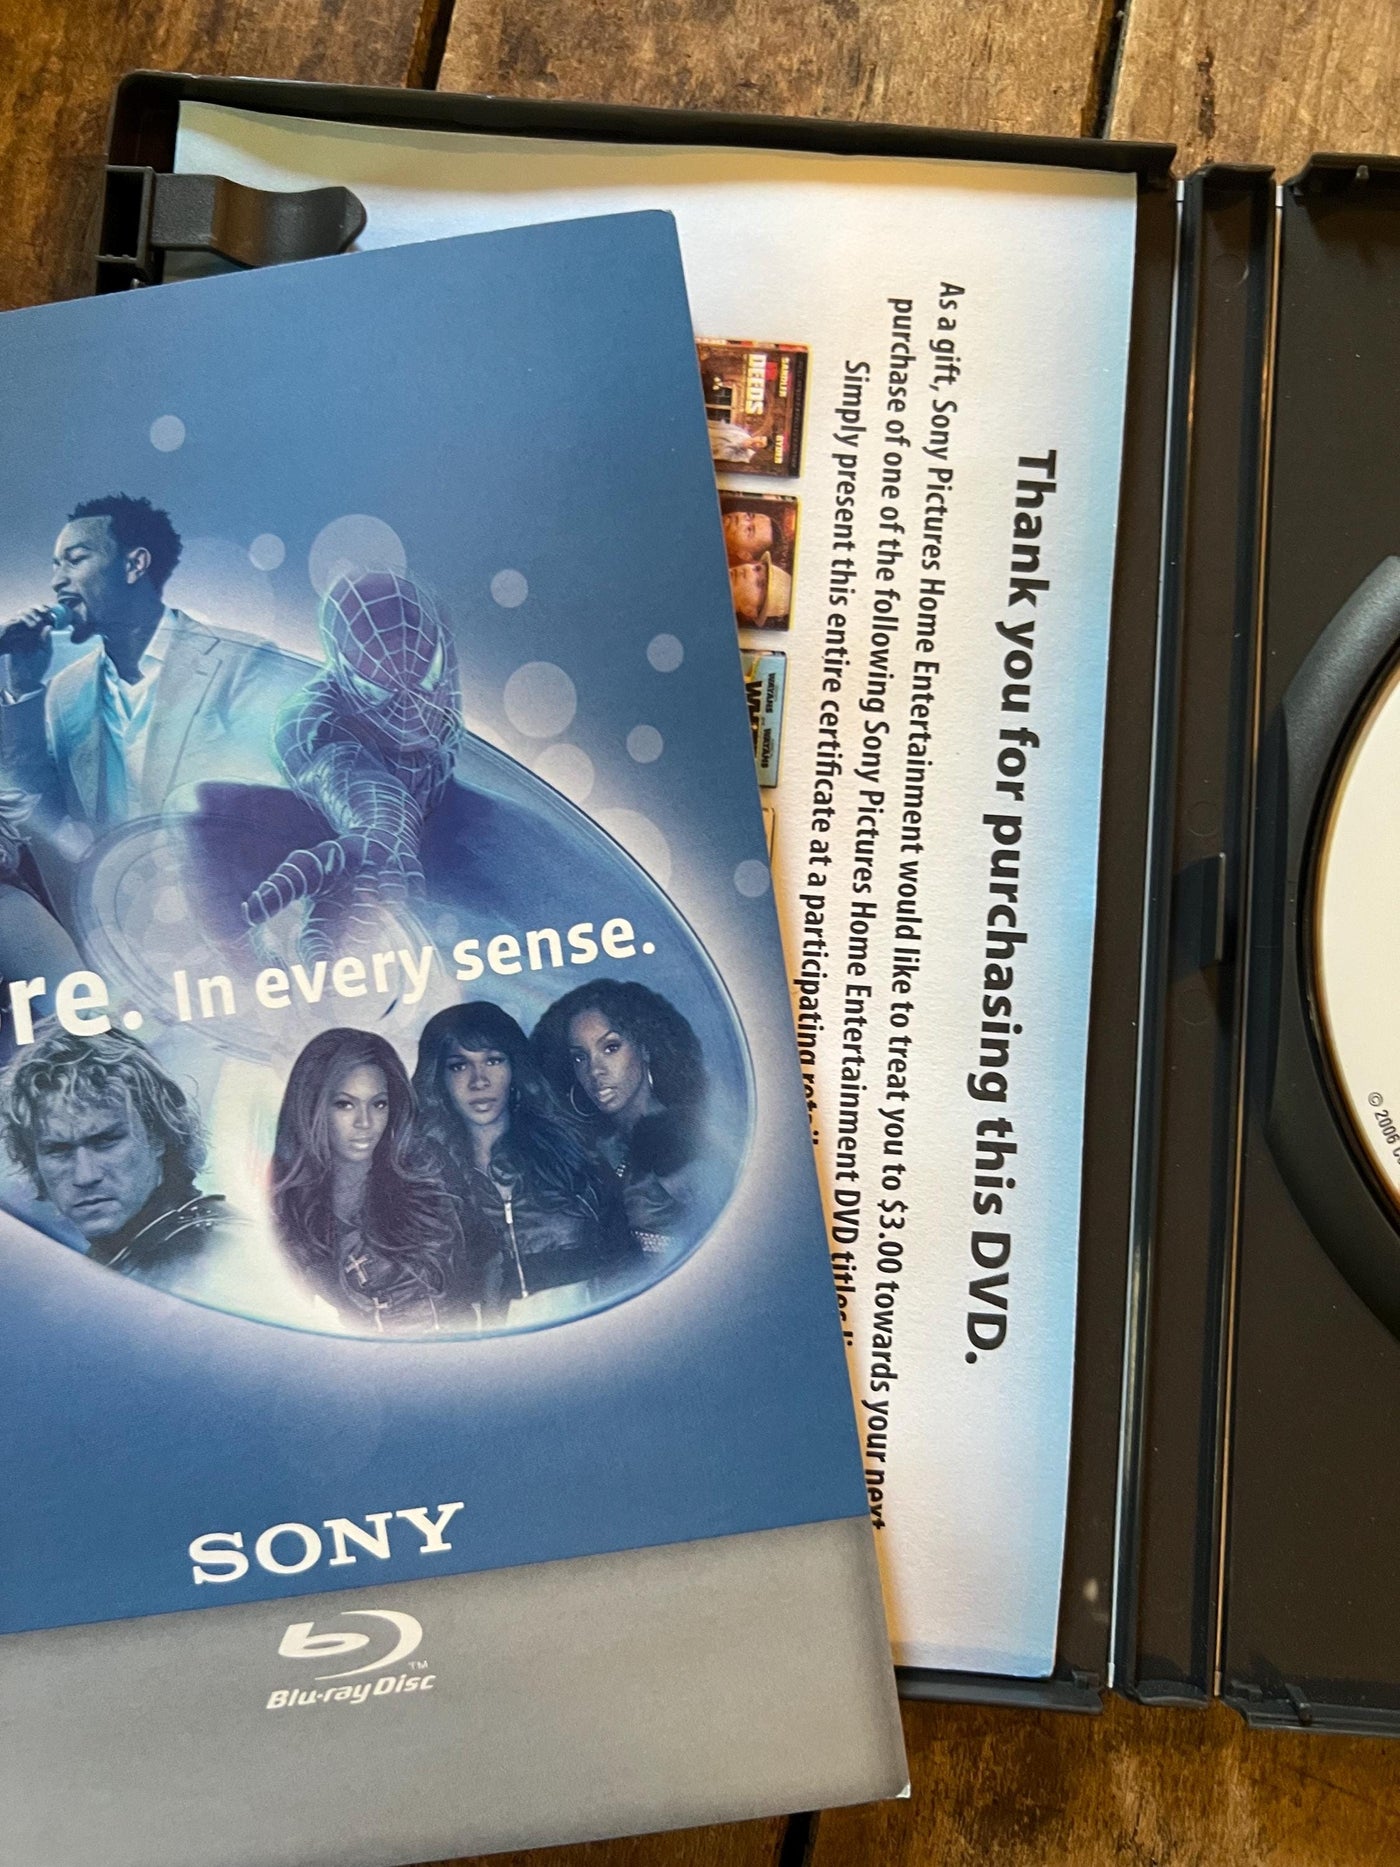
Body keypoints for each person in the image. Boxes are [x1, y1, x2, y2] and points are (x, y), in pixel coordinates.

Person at [0, 494, 302, 919]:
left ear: (134, 564)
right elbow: (42, 810)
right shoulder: (67, 691)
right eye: (55, 565)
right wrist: (24, 689)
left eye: (75, 560)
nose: (57, 580)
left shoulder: (242, 663)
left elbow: (282, 810)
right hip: (124, 926)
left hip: (235, 916)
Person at [412, 1001, 631, 1326]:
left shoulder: (573, 1156)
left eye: (493, 1060)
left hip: (592, 1340)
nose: (479, 1081)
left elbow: (627, 1262)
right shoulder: (425, 1183)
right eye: (459, 1066)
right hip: (491, 1352)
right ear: (439, 1079)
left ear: (514, 1068)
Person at [0, 1025, 241, 1292]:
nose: (85, 1176)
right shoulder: (108, 1262)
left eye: (105, 1142)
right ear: (34, 1161)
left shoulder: (220, 1252)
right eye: (58, 1150)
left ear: (158, 1135)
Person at [271, 1027, 462, 1333]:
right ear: (312, 1107)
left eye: (379, 1104)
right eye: (345, 1104)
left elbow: (473, 1278)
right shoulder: (286, 1215)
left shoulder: (426, 1186)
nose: (365, 1122)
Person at [532, 980, 710, 1260]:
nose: (595, 1070)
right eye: (580, 1057)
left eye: (610, 1048)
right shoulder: (597, 1147)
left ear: (645, 1047)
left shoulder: (684, 1144)